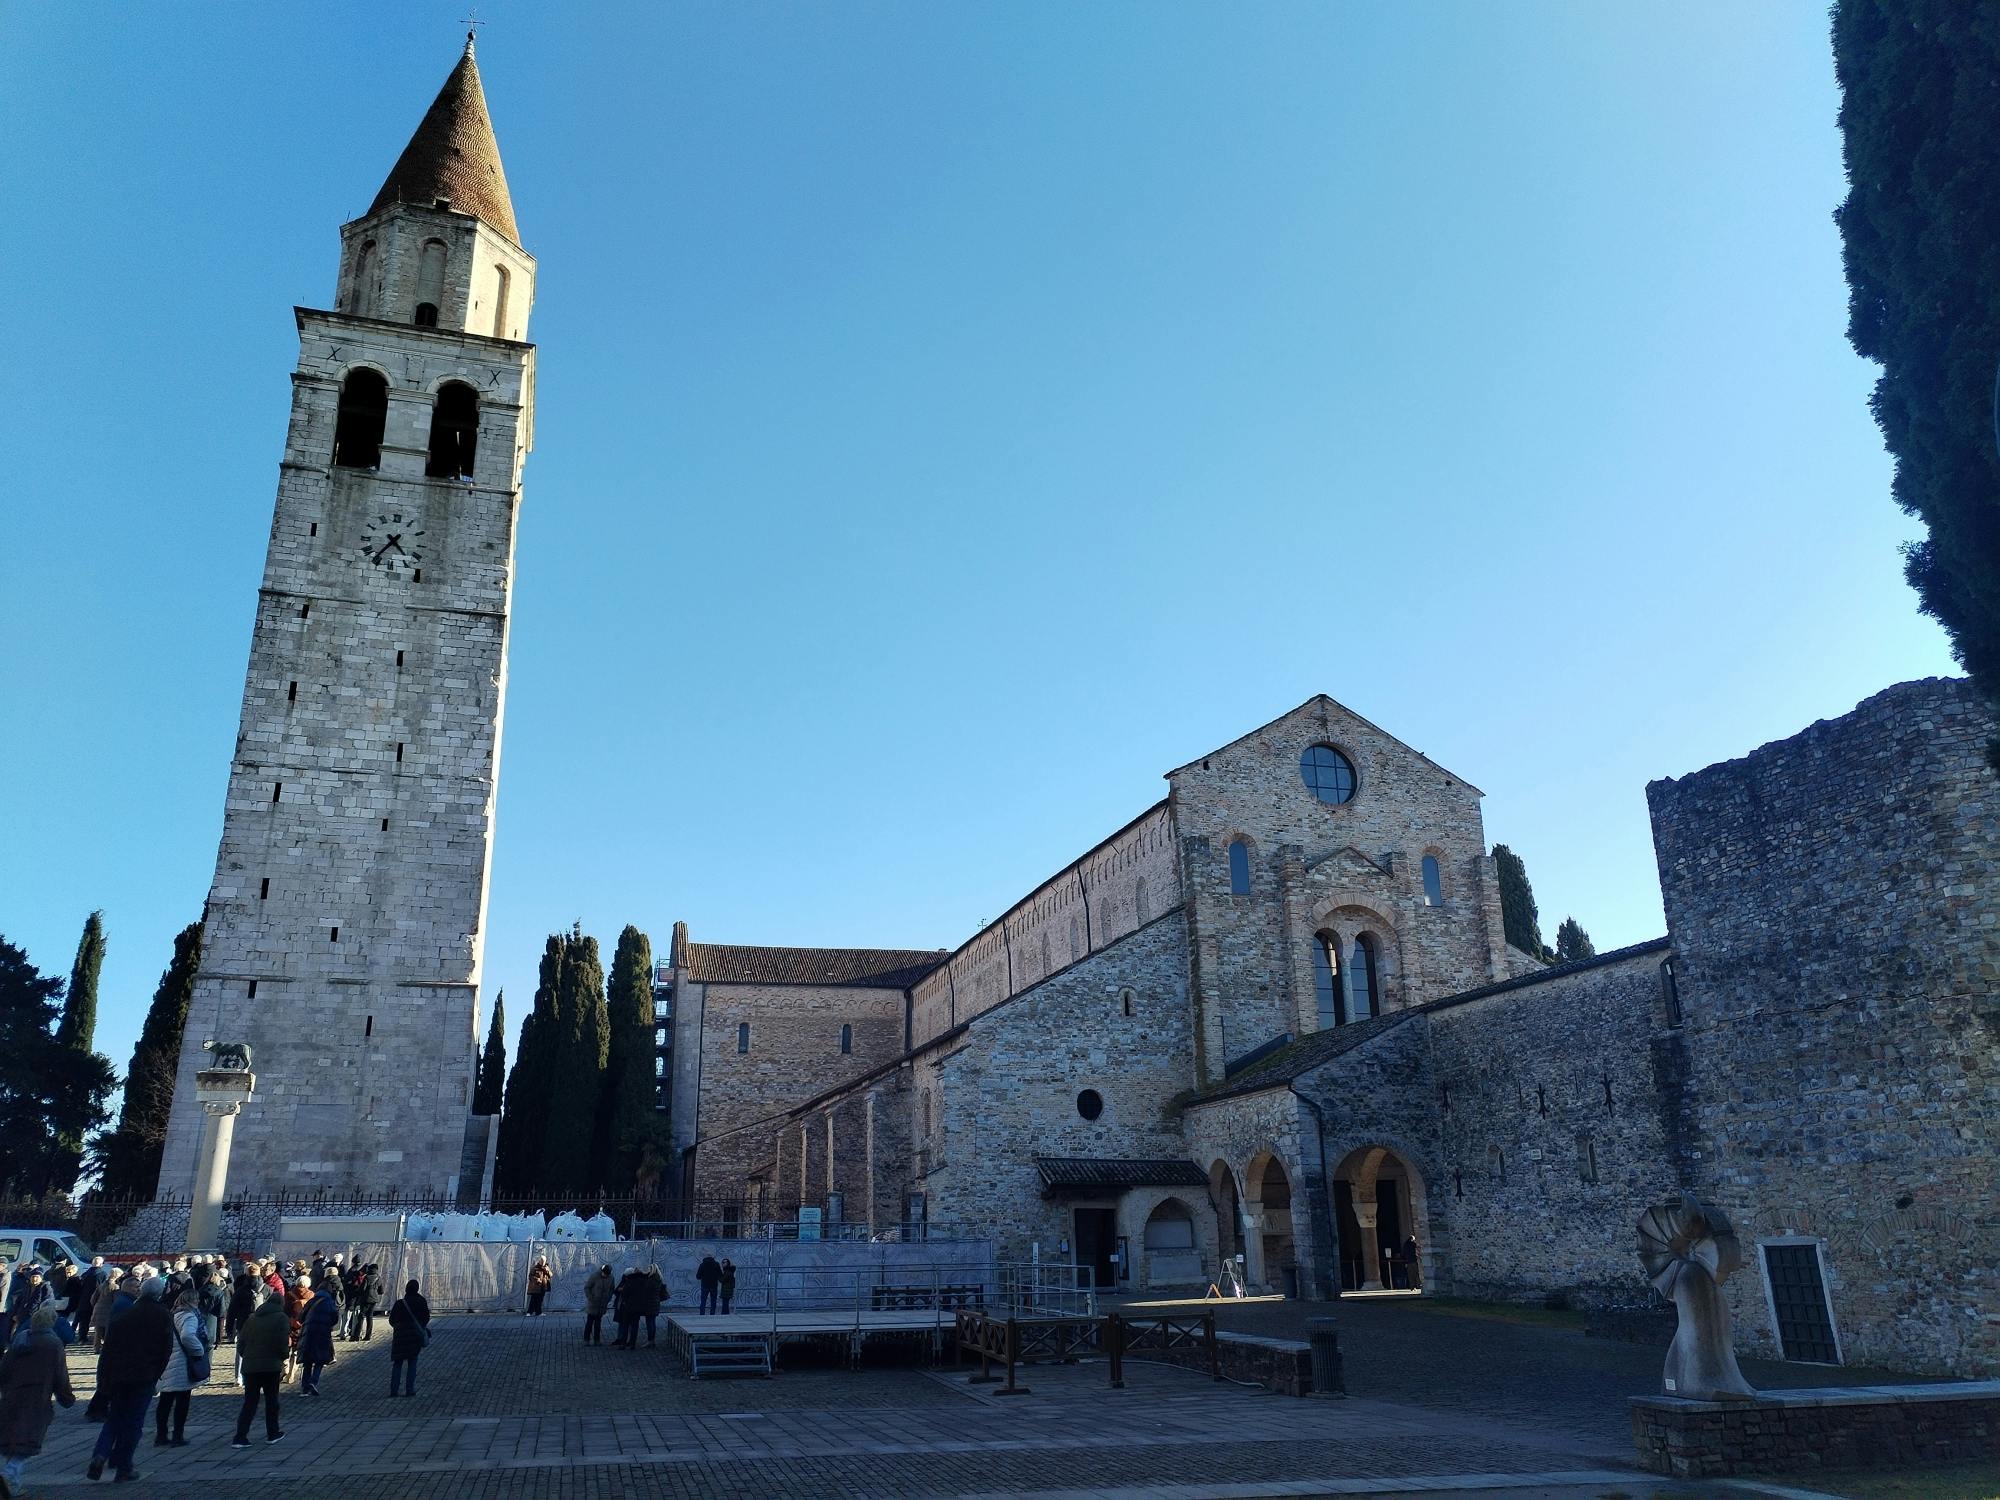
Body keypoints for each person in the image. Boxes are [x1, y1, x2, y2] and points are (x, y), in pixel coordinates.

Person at [87, 1274, 173, 1483]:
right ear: (159, 1294)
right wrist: (157, 1376)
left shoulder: (125, 1313)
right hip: (143, 1377)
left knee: (115, 1418)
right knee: (134, 1423)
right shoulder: (162, 1314)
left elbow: (108, 1351)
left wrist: (104, 1379)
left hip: (118, 1376)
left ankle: (100, 1454)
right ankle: (124, 1466)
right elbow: (166, 1350)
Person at [0, 1303, 75, 1497]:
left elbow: (4, 1369)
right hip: (36, 1398)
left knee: (10, 1438)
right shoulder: (53, 1344)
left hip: (12, 1396)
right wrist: (66, 1397)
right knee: (25, 1440)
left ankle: (11, 1480)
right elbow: (61, 1375)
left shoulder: (20, 1340)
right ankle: (10, 1478)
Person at [153, 1279, 209, 1448]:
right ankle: (178, 1434)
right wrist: (198, 1351)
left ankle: (161, 1434)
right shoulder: (189, 1316)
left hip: (170, 1359)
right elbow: (187, 1336)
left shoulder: (174, 1314)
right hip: (182, 1362)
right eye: (196, 1300)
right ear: (192, 1301)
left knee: (165, 1401)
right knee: (182, 1402)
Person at [231, 1287, 287, 1448]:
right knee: (271, 1401)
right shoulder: (281, 1318)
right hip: (271, 1365)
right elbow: (282, 1342)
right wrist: (283, 1356)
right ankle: (272, 1432)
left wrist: (247, 1356)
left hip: (250, 1365)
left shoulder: (252, 1318)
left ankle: (240, 1436)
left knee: (250, 1402)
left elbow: (241, 1343)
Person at [387, 1280, 430, 1397]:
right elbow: (426, 1318)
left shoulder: (400, 1303)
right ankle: (409, 1389)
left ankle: (394, 1390)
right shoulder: (421, 1301)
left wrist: (398, 1327)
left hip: (400, 1337)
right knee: (412, 1362)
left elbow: (391, 1320)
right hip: (414, 1336)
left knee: (397, 1363)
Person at [297, 1278, 338, 1395]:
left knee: (308, 1361)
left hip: (308, 1332)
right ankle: (313, 1381)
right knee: (320, 1359)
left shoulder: (312, 1301)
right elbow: (335, 1319)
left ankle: (305, 1387)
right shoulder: (330, 1303)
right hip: (323, 1333)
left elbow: (301, 1317)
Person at [611, 1266, 645, 1350]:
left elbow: (624, 1293)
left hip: (627, 1307)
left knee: (625, 1325)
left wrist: (622, 1291)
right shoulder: (642, 1282)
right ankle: (632, 1344)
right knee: (634, 1326)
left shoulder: (629, 1282)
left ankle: (623, 1343)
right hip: (637, 1307)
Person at [581, 1265, 613, 1345]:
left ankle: (597, 1340)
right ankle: (586, 1340)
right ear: (602, 1271)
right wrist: (591, 1298)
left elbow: (612, 1288)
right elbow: (587, 1288)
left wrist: (608, 1298)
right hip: (593, 1303)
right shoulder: (595, 1276)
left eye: (607, 1274)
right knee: (589, 1322)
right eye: (605, 1274)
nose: (606, 1275)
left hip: (602, 1304)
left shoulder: (611, 1277)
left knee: (598, 1323)